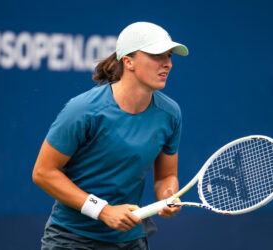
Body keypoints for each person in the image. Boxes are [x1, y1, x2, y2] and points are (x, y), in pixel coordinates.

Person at [32, 21, 189, 249]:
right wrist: (103, 210)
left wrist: (168, 195)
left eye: (169, 56)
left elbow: (166, 176)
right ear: (128, 61)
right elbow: (43, 173)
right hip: (71, 239)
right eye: (157, 55)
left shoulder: (170, 113)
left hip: (130, 240)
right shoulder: (83, 110)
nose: (167, 64)